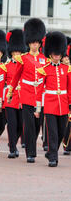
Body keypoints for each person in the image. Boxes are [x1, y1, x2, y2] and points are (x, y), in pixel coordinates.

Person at [6, 18, 47, 163]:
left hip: (40, 95)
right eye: (32, 42)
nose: (34, 44)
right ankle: (31, 153)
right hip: (27, 93)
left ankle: (31, 145)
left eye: (36, 42)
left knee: (37, 125)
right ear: (29, 43)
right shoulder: (23, 59)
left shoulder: (45, 59)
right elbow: (16, 77)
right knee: (29, 124)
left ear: (39, 43)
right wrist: (10, 93)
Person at [37, 32, 71, 167]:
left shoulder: (67, 69)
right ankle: (53, 158)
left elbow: (69, 88)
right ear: (50, 53)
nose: (57, 55)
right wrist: (38, 107)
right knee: (52, 131)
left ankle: (51, 152)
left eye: (59, 53)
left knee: (62, 131)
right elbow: (39, 89)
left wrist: (70, 103)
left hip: (63, 103)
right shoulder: (44, 69)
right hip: (50, 104)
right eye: (54, 53)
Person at [4, 29, 26, 158]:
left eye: (18, 52)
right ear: (11, 52)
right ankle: (12, 148)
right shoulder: (6, 66)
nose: (16, 54)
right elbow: (2, 85)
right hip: (10, 98)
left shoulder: (25, 65)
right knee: (12, 124)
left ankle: (13, 141)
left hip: (22, 97)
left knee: (20, 125)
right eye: (14, 52)